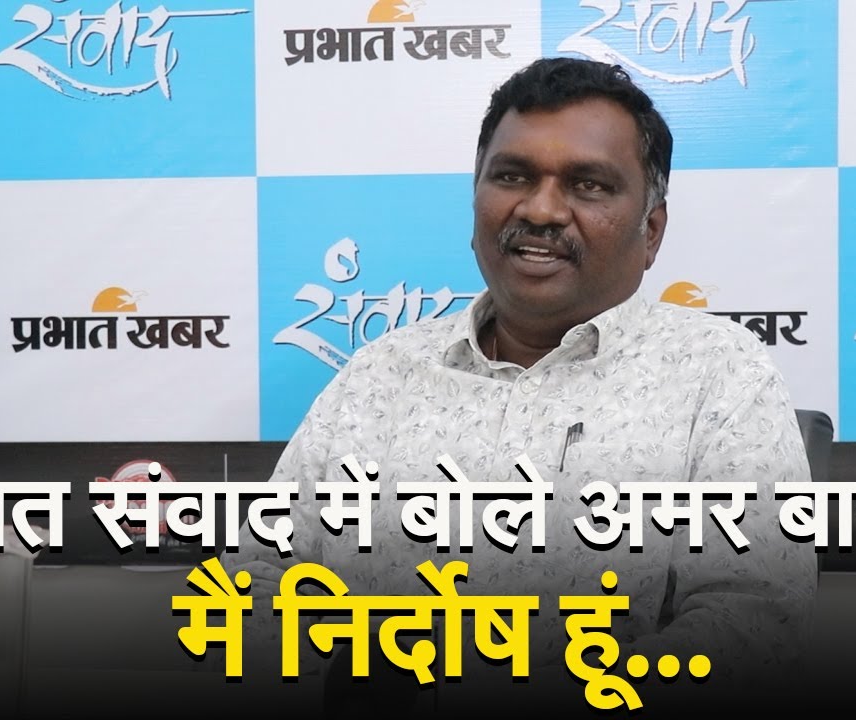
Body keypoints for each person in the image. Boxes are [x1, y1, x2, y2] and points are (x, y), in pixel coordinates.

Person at [224, 57, 815, 713]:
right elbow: (254, 577)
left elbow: (756, 627)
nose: (540, 209)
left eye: (588, 185)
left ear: (650, 231)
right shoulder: (382, 372)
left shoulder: (718, 372)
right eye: (513, 176)